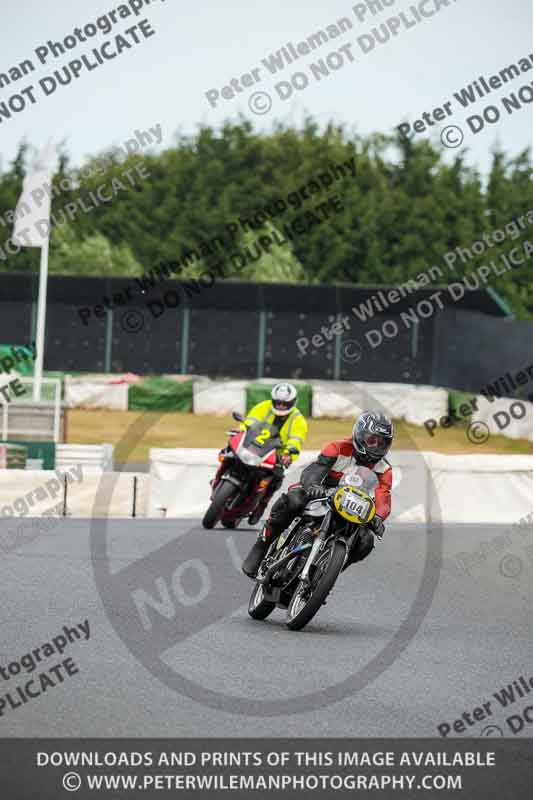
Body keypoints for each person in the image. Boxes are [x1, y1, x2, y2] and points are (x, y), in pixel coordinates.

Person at [242, 410, 393, 577]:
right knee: (292, 501)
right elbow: (315, 470)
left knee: (366, 541)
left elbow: (384, 496)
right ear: (359, 435)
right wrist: (313, 485)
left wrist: (378, 517)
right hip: (321, 492)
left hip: (352, 507)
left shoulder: (384, 469)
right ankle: (261, 546)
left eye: (382, 443)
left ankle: (327, 572)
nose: (376, 447)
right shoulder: (337, 448)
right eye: (372, 440)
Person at [211, 383, 308, 525]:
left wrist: (288, 455)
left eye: (284, 403)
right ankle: (217, 479)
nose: (281, 406)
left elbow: (296, 440)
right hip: (252, 445)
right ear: (273, 400)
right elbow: (250, 421)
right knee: (228, 453)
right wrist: (241, 430)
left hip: (276, 453)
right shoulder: (263, 406)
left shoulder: (298, 420)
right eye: (278, 402)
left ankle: (261, 506)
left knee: (275, 478)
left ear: (292, 402)